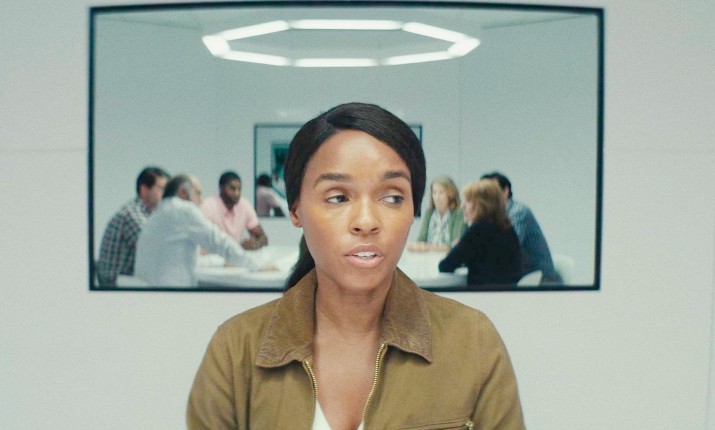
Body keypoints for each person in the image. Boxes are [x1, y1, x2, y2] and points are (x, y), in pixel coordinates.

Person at [187, 103, 524, 429]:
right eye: (338, 197)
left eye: (392, 197)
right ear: (295, 210)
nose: (366, 222)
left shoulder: (473, 343)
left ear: (412, 211)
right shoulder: (236, 351)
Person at [134, 174, 263, 287]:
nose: (201, 201)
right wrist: (256, 265)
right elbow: (219, 242)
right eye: (198, 193)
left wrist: (224, 262)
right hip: (175, 295)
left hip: (152, 294)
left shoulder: (158, 214)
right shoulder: (183, 209)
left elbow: (191, 260)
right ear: (183, 192)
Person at [439, 179, 522, 289]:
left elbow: (445, 266)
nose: (462, 206)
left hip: (482, 295)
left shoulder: (478, 230)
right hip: (507, 294)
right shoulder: (507, 229)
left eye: (468, 201)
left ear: (482, 204)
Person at [96, 166, 170, 287]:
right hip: (115, 288)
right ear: (144, 190)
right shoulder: (132, 215)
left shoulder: (150, 216)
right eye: (162, 188)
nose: (167, 194)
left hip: (128, 284)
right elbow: (158, 251)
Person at [481, 171, 558, 282]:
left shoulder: (518, 212)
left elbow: (508, 249)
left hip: (540, 279)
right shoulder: (493, 216)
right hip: (520, 275)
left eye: (492, 192)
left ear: (505, 191)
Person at [201, 171, 268, 250]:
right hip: (212, 254)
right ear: (221, 188)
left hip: (235, 254)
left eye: (239, 189)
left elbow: (263, 237)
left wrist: (255, 244)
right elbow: (201, 239)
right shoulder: (208, 206)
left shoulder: (244, 205)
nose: (237, 193)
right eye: (232, 189)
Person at [407, 175, 467, 252]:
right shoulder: (429, 213)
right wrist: (415, 246)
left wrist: (428, 248)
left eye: (441, 193)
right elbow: (421, 239)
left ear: (450, 194)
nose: (437, 197)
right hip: (428, 257)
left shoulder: (458, 213)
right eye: (434, 192)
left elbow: (455, 245)